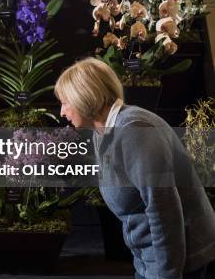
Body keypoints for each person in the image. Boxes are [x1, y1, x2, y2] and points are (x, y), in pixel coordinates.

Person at [54, 57, 215, 279]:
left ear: (85, 97)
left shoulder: (135, 131)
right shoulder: (101, 133)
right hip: (150, 255)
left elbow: (164, 209)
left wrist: (166, 274)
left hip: (181, 258)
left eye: (65, 102)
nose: (62, 111)